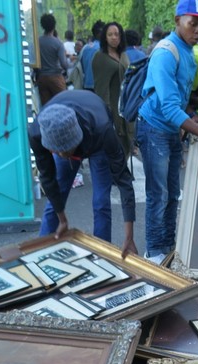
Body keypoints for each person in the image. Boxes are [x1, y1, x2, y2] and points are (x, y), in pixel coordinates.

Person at [136, 0, 198, 263]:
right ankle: (153, 253)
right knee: (159, 194)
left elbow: (178, 97)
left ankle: (168, 248)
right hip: (154, 129)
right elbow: (167, 105)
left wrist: (195, 104)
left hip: (173, 130)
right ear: (177, 21)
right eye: (192, 24)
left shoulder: (189, 50)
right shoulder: (166, 52)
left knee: (173, 194)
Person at [28, 90, 137, 256]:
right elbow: (48, 179)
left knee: (101, 201)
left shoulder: (103, 131)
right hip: (64, 133)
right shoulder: (38, 132)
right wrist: (62, 219)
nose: (64, 156)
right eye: (57, 152)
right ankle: (39, 254)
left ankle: (102, 255)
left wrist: (129, 236)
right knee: (57, 192)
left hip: (95, 141)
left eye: (67, 151)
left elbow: (123, 180)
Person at [93, 22, 134, 158]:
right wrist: (106, 113)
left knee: (126, 143)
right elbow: (101, 88)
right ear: (104, 37)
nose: (114, 37)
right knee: (116, 146)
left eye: (116, 34)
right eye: (110, 34)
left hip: (126, 106)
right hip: (112, 108)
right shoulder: (100, 58)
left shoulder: (123, 55)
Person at [36, 13, 68, 106]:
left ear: (42, 26)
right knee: (63, 104)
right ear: (54, 26)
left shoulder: (37, 42)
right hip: (56, 77)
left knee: (46, 107)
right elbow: (64, 64)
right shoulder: (58, 43)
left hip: (42, 78)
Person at [79, 20, 106, 92]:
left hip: (86, 85)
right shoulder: (104, 48)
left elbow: (81, 66)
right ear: (100, 34)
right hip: (100, 86)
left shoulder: (85, 48)